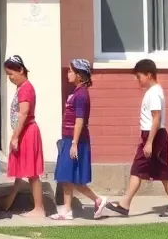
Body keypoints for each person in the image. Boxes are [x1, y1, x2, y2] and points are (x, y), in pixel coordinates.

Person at [107, 59, 168, 218]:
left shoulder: (155, 93)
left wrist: (149, 143)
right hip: (150, 136)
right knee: (142, 169)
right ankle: (125, 204)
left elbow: (156, 118)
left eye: (139, 76)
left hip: (154, 137)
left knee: (160, 172)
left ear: (149, 75)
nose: (138, 80)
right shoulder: (152, 92)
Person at [51, 59, 108, 221]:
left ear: (79, 74)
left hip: (76, 141)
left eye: (70, 71)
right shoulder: (76, 92)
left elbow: (80, 120)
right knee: (65, 176)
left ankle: (98, 199)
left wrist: (74, 143)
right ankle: (67, 210)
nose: (67, 73)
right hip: (68, 139)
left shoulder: (81, 94)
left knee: (74, 178)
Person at [0, 55, 45, 218]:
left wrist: (15, 136)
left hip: (27, 132)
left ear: (21, 70)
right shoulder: (22, 88)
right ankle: (10, 199)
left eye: (11, 74)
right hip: (23, 131)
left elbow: (23, 113)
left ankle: (39, 208)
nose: (10, 78)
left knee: (32, 172)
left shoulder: (26, 88)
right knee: (23, 168)